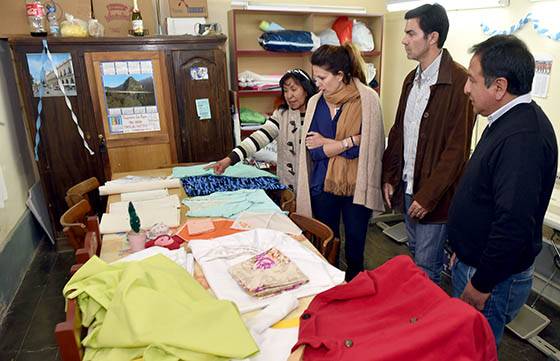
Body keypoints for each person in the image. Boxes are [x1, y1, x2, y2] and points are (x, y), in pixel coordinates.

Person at [448, 35, 557, 345]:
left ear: (499, 87)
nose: (466, 88)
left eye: (472, 79)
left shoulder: (524, 138)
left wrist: (481, 283)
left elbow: (512, 224)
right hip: (475, 264)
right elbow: (484, 197)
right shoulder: (505, 120)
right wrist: (464, 246)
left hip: (491, 280)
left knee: (475, 348)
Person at [381, 3, 475, 284]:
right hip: (409, 187)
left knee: (426, 266)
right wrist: (390, 175)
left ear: (432, 37)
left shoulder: (459, 82)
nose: (403, 40)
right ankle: (420, 315)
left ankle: (426, 323)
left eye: (411, 33)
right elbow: (399, 132)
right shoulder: (412, 79)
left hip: (434, 197)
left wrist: (428, 196)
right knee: (416, 257)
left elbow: (457, 151)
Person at [296, 44, 385, 281]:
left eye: (322, 77)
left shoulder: (367, 100)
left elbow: (369, 148)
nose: (318, 83)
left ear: (340, 75)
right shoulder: (316, 102)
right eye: (315, 78)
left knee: (355, 247)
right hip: (323, 184)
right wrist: (348, 142)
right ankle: (329, 287)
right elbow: (313, 150)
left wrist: (329, 144)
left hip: (357, 185)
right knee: (327, 243)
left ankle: (356, 291)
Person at [206, 69, 317, 191]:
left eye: (294, 90)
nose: (289, 95)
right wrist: (229, 159)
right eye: (285, 91)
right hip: (288, 183)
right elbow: (259, 138)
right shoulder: (281, 114)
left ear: (306, 90)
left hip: (314, 184)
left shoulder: (317, 113)